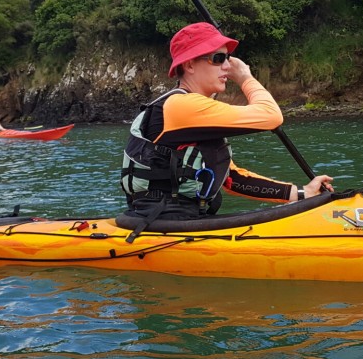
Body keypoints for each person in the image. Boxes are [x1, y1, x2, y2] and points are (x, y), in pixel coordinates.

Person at [121, 22, 334, 222]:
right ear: (190, 65)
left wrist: (302, 193)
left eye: (228, 59)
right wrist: (244, 77)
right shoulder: (182, 106)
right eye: (218, 58)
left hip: (181, 218)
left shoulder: (196, 112)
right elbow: (271, 116)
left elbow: (232, 179)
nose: (227, 67)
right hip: (163, 220)